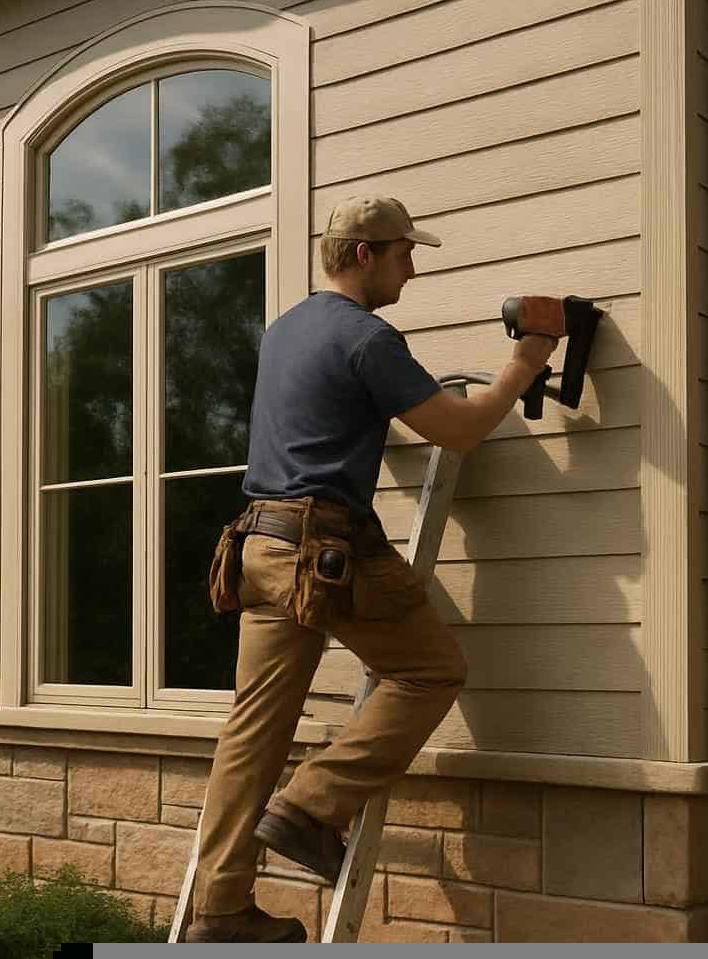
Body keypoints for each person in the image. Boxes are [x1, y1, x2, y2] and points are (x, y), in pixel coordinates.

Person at [185, 195, 560, 944]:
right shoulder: (367, 339)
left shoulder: (283, 332)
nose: (412, 269)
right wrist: (526, 360)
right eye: (403, 254)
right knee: (430, 671)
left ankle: (219, 912)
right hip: (324, 550)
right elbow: (459, 431)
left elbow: (323, 420)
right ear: (365, 256)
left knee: (253, 733)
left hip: (258, 547)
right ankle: (312, 804)